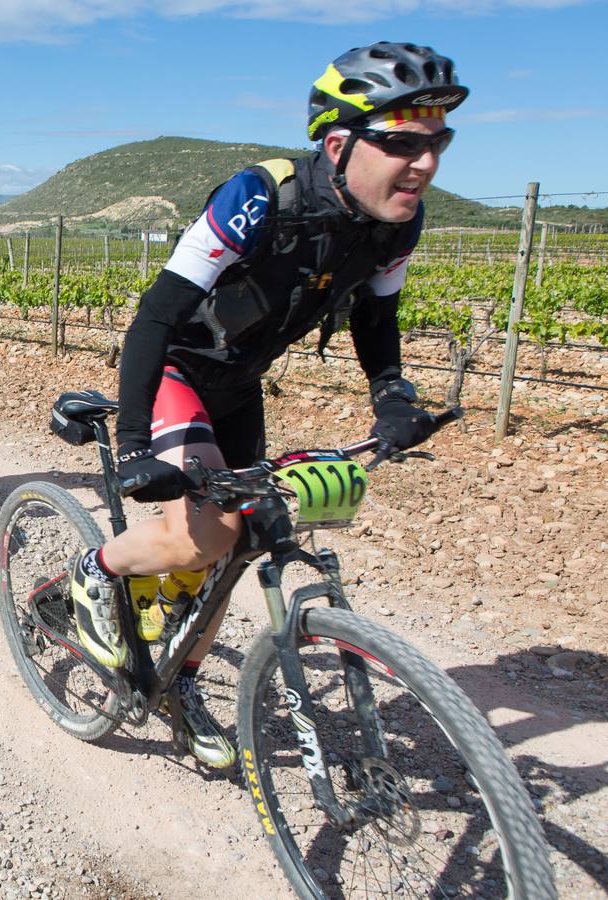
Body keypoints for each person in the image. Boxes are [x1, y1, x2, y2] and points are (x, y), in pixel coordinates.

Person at [66, 42, 468, 769]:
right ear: (339, 143)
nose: (425, 163)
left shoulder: (397, 222)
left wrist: (392, 395)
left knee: (246, 533)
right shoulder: (259, 196)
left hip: (241, 382)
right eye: (402, 143)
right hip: (177, 369)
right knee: (202, 537)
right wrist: (131, 447)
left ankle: (178, 680)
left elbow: (376, 319)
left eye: (436, 142)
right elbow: (156, 317)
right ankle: (93, 569)